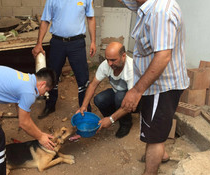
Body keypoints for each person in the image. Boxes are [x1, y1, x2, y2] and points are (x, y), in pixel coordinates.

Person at [119, 0, 189, 174]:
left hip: (161, 86)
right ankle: (162, 155)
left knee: (154, 137)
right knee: (153, 125)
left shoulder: (160, 12)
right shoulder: (145, 4)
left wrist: (136, 91)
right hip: (154, 84)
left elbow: (163, 56)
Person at [32, 0, 96, 119]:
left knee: (83, 79)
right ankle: (50, 106)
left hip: (77, 43)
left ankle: (85, 109)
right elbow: (45, 20)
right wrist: (39, 43)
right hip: (57, 43)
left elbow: (91, 18)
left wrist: (93, 41)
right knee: (52, 76)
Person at [76, 42, 134, 138]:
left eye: (113, 60)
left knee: (120, 97)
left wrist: (111, 119)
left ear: (123, 56)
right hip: (118, 93)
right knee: (99, 99)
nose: (109, 63)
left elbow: (131, 102)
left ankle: (126, 123)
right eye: (107, 60)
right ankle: (117, 116)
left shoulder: (131, 69)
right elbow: (93, 85)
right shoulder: (105, 65)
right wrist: (84, 106)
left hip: (137, 100)